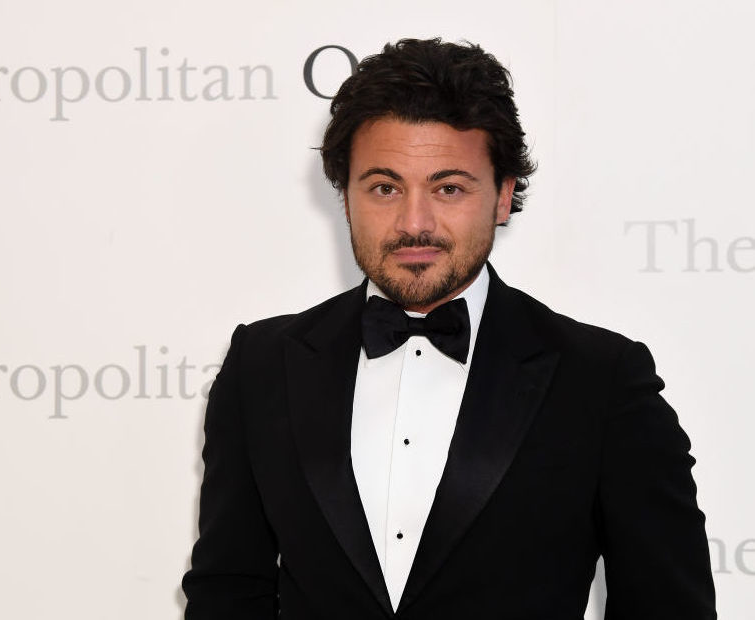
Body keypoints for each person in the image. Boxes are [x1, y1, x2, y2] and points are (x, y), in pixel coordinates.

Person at [181, 38, 716, 619]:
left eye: (449, 188)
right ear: (345, 196)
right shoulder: (261, 364)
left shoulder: (603, 379)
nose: (415, 223)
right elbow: (228, 592)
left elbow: (669, 605)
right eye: (384, 188)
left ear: (503, 196)